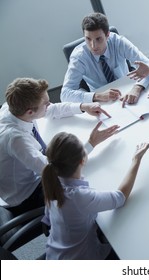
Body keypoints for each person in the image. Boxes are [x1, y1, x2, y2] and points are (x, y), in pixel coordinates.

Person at [0, 77, 119, 216]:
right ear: (30, 113)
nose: (49, 104)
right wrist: (91, 143)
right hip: (27, 195)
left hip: (33, 171)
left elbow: (50, 109)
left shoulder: (13, 107)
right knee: (87, 185)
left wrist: (83, 106)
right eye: (45, 103)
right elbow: (53, 170)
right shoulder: (15, 139)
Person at [42, 132, 149, 259]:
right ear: (83, 160)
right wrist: (136, 160)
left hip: (55, 254)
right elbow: (120, 197)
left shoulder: (52, 180)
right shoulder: (78, 197)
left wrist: (91, 143)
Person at [61, 12, 149, 106]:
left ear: (107, 35)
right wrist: (97, 96)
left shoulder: (118, 42)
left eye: (98, 39)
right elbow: (64, 94)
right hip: (100, 102)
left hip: (128, 90)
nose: (93, 46)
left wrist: (137, 88)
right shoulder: (79, 57)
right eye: (88, 39)